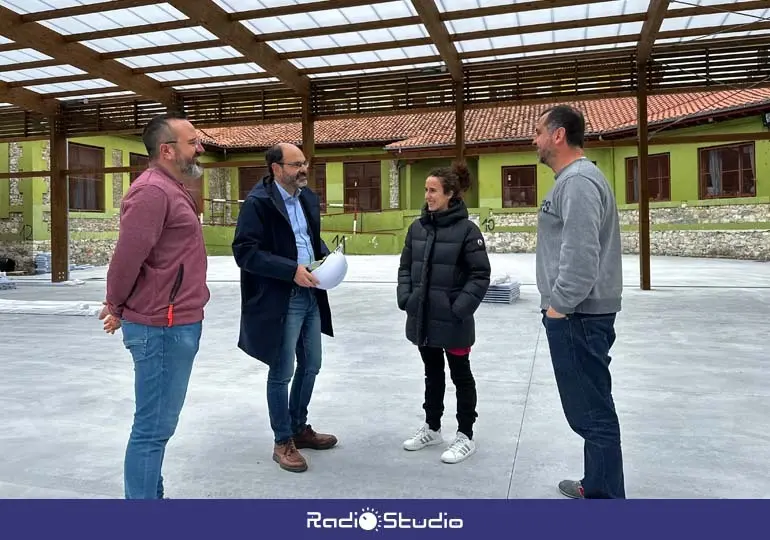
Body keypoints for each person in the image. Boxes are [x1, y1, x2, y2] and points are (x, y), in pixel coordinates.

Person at [98, 112, 210, 499]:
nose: (200, 147)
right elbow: (127, 258)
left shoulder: (172, 187)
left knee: (159, 427)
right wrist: (116, 304)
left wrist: (121, 307)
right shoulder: (152, 192)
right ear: (167, 150)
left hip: (175, 321)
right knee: (152, 428)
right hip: (162, 327)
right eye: (192, 141)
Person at [533, 104, 625, 499]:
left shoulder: (579, 182)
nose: (533, 139)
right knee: (590, 406)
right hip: (578, 313)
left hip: (579, 315)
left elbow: (581, 252)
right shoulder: (572, 181)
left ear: (558, 135)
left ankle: (605, 499)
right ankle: (599, 483)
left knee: (592, 411)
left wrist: (560, 306)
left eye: (539, 131)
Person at [232, 143, 337, 473]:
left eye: (304, 163)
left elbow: (308, 239)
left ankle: (298, 427)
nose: (302, 169)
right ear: (276, 168)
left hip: (311, 293)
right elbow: (245, 253)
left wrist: (329, 261)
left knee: (313, 365)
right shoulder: (258, 203)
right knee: (282, 372)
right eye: (295, 165)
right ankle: (282, 442)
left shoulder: (307, 198)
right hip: (281, 298)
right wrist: (290, 270)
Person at [397, 161, 490, 464]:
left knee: (461, 376)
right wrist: (407, 299)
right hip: (423, 317)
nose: (427, 195)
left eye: (433, 190)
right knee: (432, 372)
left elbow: (480, 275)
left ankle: (465, 434)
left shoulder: (468, 231)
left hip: (454, 321)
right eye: (426, 190)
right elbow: (404, 269)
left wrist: (459, 308)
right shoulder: (417, 228)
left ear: (450, 193)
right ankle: (433, 427)